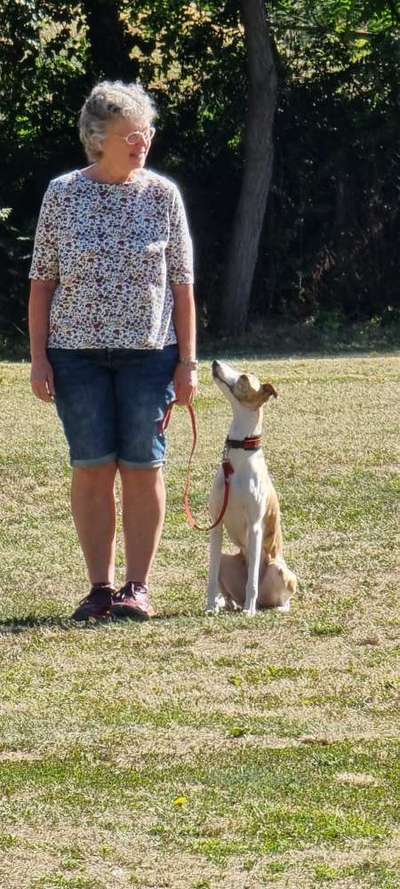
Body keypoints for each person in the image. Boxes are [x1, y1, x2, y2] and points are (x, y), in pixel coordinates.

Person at [28, 80, 197, 621]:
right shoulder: (62, 194)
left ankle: (138, 587)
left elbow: (183, 285)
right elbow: (42, 282)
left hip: (150, 356)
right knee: (93, 467)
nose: (141, 143)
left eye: (145, 133)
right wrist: (39, 358)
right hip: (75, 357)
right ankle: (99, 589)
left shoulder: (163, 194)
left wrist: (187, 361)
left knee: (144, 467)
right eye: (130, 135)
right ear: (99, 139)